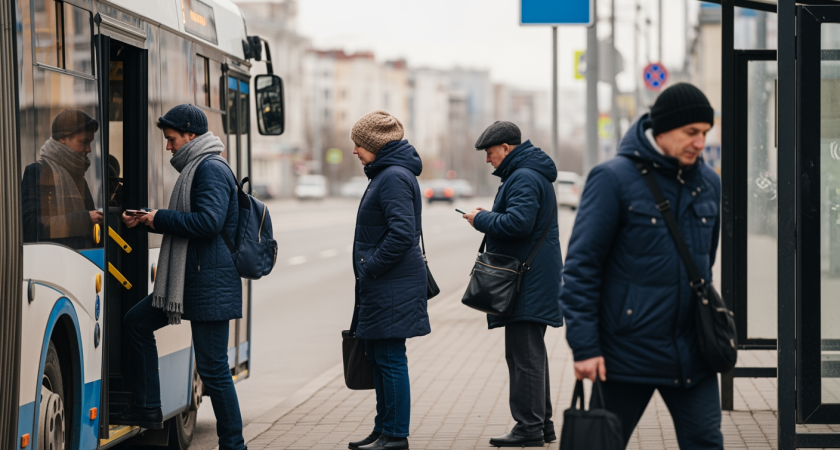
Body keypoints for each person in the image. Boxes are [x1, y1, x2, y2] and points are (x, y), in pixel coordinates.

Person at [561, 83, 723, 449]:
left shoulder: (709, 184)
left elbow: (704, 264)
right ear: (662, 130)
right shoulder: (613, 179)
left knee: (707, 443)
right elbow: (581, 269)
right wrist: (584, 347)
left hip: (692, 354)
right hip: (625, 354)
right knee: (600, 444)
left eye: (705, 133)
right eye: (691, 133)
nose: (700, 143)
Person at [111, 104, 247, 450]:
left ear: (190, 135)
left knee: (214, 371)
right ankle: (148, 408)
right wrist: (148, 218)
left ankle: (234, 445)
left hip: (209, 284)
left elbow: (208, 223)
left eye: (171, 139)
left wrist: (157, 219)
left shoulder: (210, 168)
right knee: (136, 323)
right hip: (190, 282)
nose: (169, 146)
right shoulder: (196, 168)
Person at [461, 121, 563, 448]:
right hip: (532, 278)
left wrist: (481, 219)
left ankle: (528, 428)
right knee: (530, 355)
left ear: (506, 149)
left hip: (526, 281)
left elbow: (518, 223)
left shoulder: (523, 177)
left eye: (490, 153)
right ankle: (541, 425)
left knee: (524, 358)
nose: (488, 160)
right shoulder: (527, 174)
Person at [346, 111, 430, 450]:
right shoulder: (385, 174)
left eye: (359, 144)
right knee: (379, 356)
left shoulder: (393, 176)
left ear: (376, 145)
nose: (354, 150)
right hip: (386, 284)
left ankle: (395, 435)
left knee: (391, 358)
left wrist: (370, 266)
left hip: (391, 283)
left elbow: (402, 234)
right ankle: (383, 429)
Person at [21, 109, 103, 248]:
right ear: (63, 139)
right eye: (84, 142)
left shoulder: (77, 175)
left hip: (85, 259)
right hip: (53, 260)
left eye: (90, 143)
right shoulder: (37, 172)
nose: (89, 149)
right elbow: (30, 226)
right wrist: (85, 219)